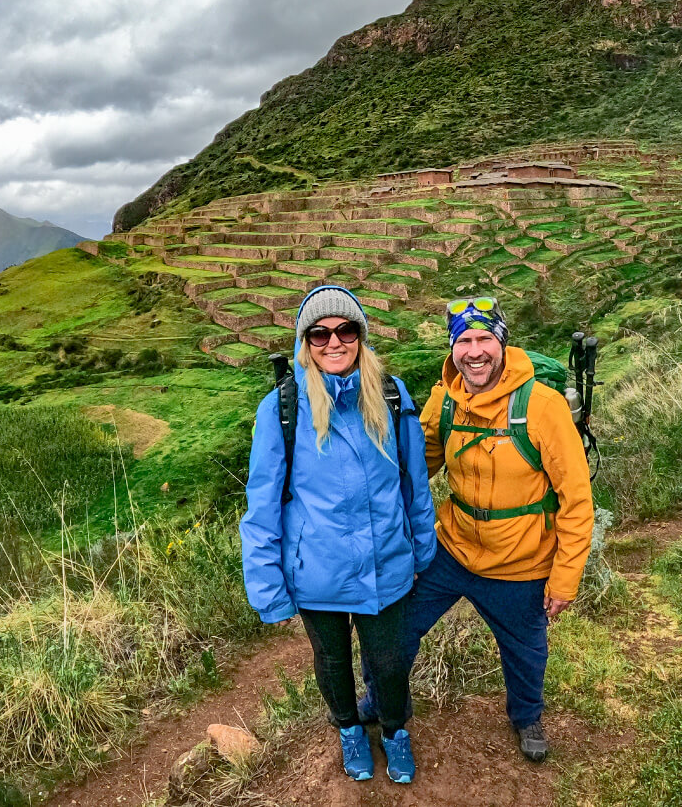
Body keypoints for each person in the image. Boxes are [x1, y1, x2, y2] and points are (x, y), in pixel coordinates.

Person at [361, 296, 593, 762]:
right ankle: (386, 701)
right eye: (464, 340)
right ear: (452, 349)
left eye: (484, 337)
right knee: (393, 630)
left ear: (502, 342)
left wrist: (564, 578)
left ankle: (527, 716)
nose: (474, 350)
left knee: (526, 652)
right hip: (452, 548)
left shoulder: (542, 407)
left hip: (521, 559)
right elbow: (411, 467)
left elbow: (576, 499)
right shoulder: (443, 400)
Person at [240, 285, 436, 784]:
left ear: (361, 336)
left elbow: (413, 481)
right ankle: (349, 730)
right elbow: (262, 504)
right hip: (317, 569)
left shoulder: (391, 394)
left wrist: (421, 546)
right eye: (320, 333)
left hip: (386, 559)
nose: (334, 342)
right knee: (331, 661)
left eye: (346, 330)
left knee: (390, 662)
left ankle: (394, 732)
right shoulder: (282, 408)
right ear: (305, 342)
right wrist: (267, 587)